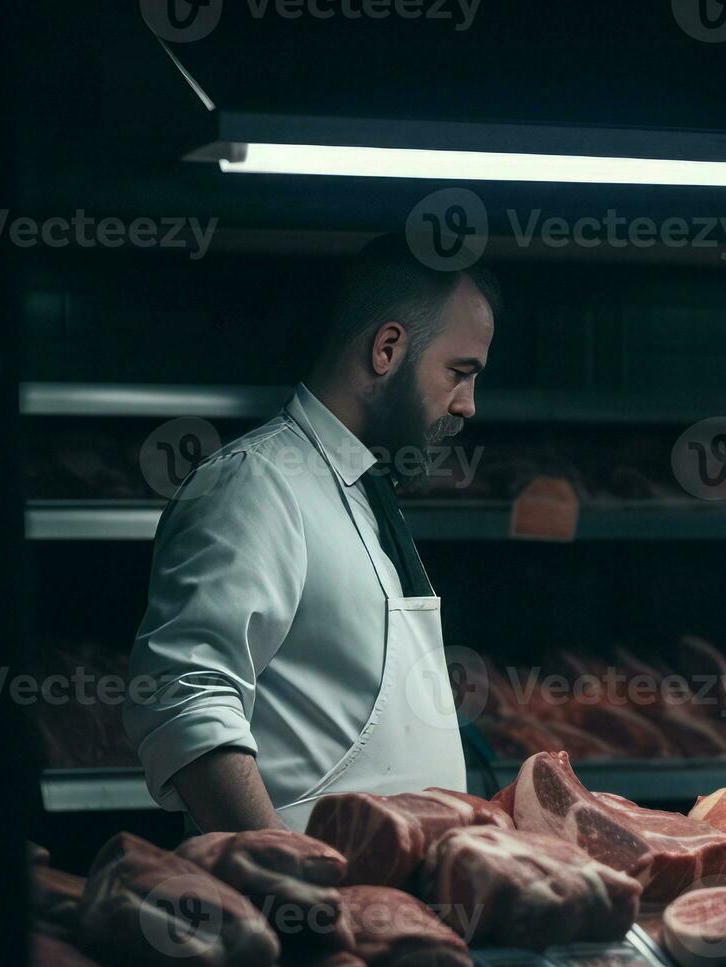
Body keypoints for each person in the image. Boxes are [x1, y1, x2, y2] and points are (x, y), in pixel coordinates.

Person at [125, 234, 499, 832]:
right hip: (304, 910)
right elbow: (184, 699)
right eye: (460, 373)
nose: (468, 405)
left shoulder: (362, 489)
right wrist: (288, 879)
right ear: (388, 349)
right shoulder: (256, 482)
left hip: (390, 903)